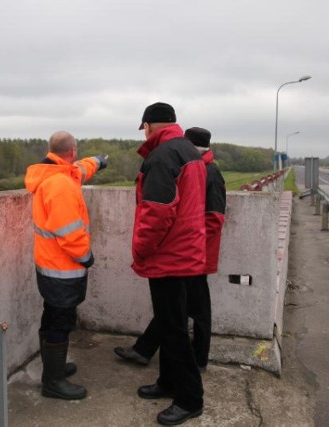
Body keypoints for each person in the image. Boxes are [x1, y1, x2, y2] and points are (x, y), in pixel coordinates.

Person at [114, 126, 226, 372]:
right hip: (190, 253)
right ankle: (146, 350)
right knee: (177, 309)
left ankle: (196, 360)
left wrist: (193, 249)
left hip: (194, 255)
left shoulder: (210, 172)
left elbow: (214, 217)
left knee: (194, 310)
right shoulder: (202, 168)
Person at [130, 102, 206, 425]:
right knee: (168, 322)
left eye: (143, 127)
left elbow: (157, 212)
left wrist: (140, 250)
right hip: (185, 253)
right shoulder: (189, 151)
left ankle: (190, 398)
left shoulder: (161, 157)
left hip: (168, 257)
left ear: (148, 125)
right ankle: (168, 382)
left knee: (173, 330)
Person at [24, 131, 107, 400]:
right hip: (63, 269)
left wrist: (98, 161)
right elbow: (68, 232)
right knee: (60, 321)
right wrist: (86, 257)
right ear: (71, 151)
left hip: (48, 266)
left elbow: (81, 169)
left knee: (52, 315)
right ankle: (53, 382)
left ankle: (53, 369)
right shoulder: (60, 185)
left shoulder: (52, 173)